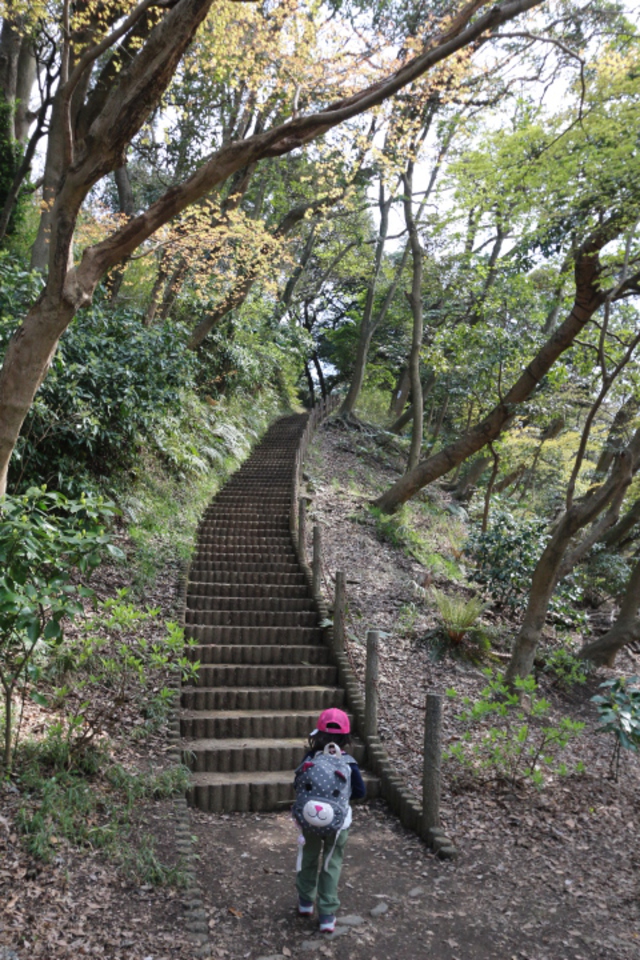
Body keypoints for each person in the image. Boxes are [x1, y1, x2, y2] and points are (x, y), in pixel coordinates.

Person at [293, 707, 366, 933]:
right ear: (346, 737)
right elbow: (360, 791)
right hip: (338, 823)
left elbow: (298, 783)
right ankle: (327, 915)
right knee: (330, 864)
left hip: (309, 820)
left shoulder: (311, 757)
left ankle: (306, 903)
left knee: (309, 857)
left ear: (318, 734)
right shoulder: (349, 762)